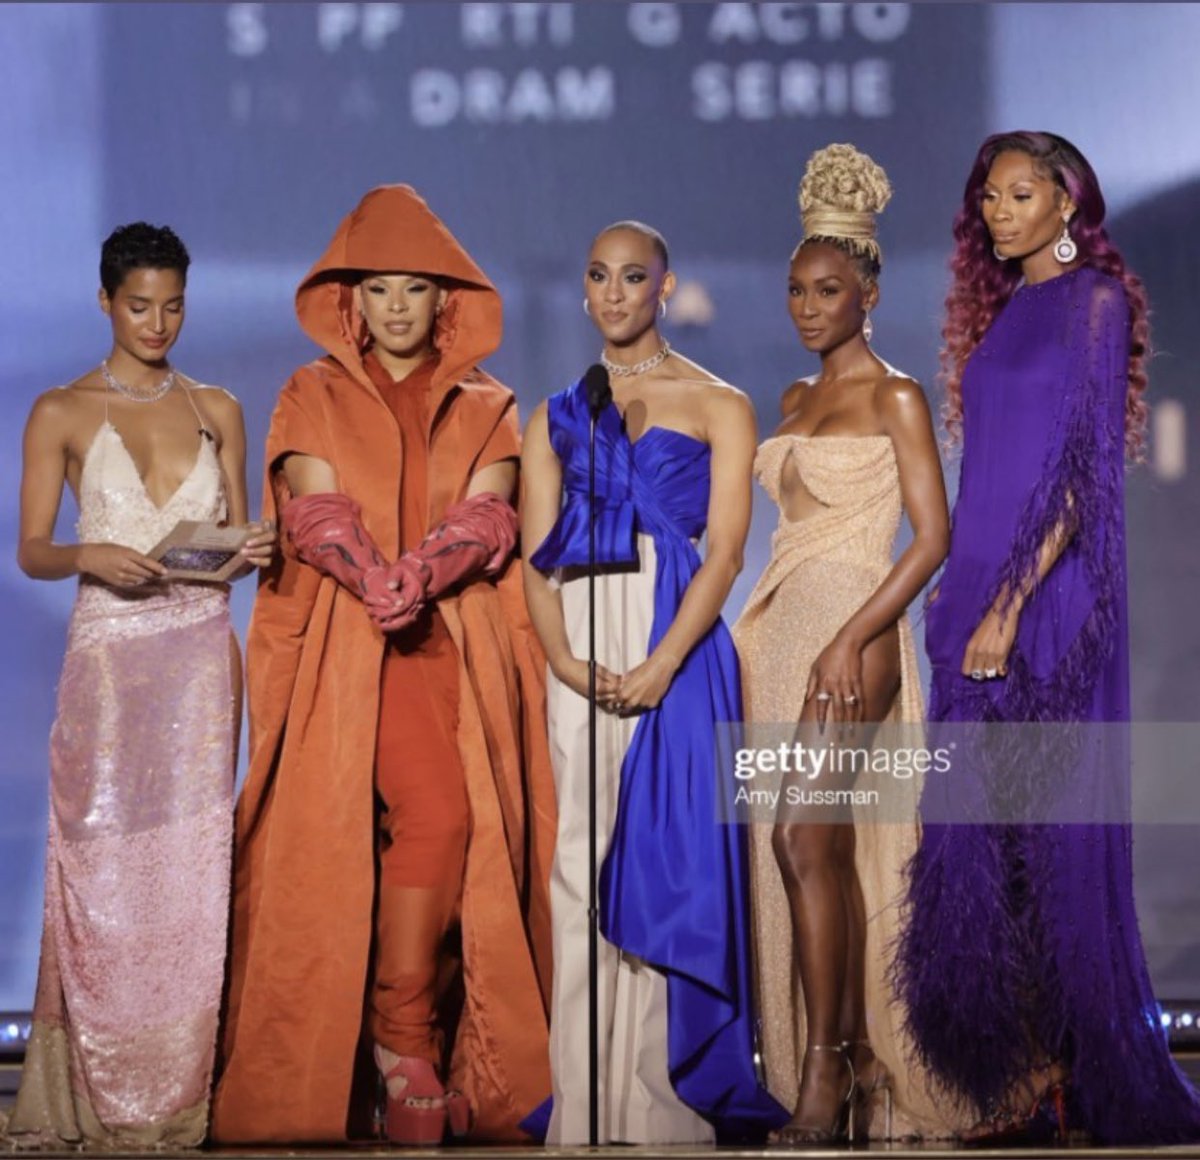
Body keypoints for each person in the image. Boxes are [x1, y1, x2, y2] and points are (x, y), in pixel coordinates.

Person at [212, 185, 556, 1146]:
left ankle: (411, 1039)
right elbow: (312, 511)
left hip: (455, 644)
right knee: (377, 836)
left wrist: (420, 574)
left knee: (461, 836)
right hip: (348, 651)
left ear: (445, 301)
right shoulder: (308, 393)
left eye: (414, 289)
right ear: (348, 300)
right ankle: (400, 1042)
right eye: (378, 288)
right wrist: (377, 579)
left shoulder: (490, 402)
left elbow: (492, 516)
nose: (396, 306)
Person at [894, 131, 1200, 1145]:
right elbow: (988, 470)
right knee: (984, 852)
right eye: (987, 195)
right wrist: (957, 592)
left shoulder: (1095, 302)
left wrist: (1010, 602)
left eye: (1019, 194)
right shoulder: (1010, 309)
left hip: (1049, 601)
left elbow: (1084, 474)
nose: (997, 210)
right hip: (976, 592)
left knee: (1056, 835)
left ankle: (1086, 1077)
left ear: (1067, 201)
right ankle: (1021, 1084)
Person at [5, 223, 273, 1148]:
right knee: (100, 868)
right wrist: (93, 553)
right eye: (138, 305)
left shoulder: (220, 407)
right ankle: (95, 1087)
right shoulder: (61, 411)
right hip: (110, 662)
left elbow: (237, 546)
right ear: (105, 301)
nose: (158, 322)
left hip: (200, 657)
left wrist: (251, 547)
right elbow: (33, 550)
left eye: (172, 305)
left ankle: (173, 1095)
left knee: (191, 877)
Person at [521, 220, 787, 1145]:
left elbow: (727, 553)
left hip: (673, 643)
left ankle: (658, 1099)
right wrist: (559, 658)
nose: (613, 292)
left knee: (661, 859)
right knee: (578, 862)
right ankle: (587, 1101)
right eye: (598, 276)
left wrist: (665, 661)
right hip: (583, 649)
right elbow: (532, 559)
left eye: (633, 277)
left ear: (664, 288)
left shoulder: (721, 403)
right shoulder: (558, 412)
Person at [731, 144, 965, 1143]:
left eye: (828, 288)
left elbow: (935, 535)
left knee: (805, 837)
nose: (807, 305)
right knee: (803, 850)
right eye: (795, 289)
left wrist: (853, 633)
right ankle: (847, 1058)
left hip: (853, 633)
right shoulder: (790, 401)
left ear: (868, 291)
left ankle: (832, 1073)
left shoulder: (897, 395)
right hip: (783, 630)